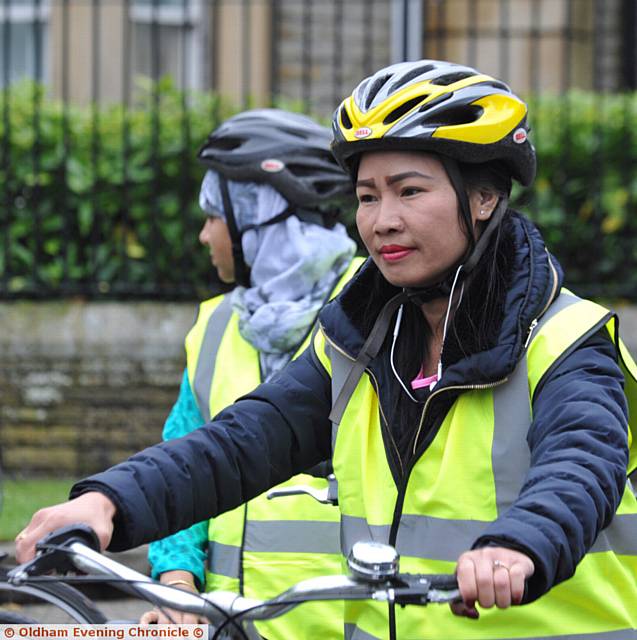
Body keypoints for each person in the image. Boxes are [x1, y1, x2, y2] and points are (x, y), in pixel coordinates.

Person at [17, 61, 637, 639]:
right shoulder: (358, 343)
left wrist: (520, 544)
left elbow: (582, 463)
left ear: (483, 197)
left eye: (409, 191)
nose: (381, 221)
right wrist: (109, 500)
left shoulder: (565, 340)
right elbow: (239, 442)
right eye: (367, 196)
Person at [136, 109, 361, 636]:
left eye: (214, 216)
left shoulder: (376, 308)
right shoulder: (215, 325)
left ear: (259, 215)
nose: (202, 235)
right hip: (230, 626)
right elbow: (183, 462)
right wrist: (177, 583)